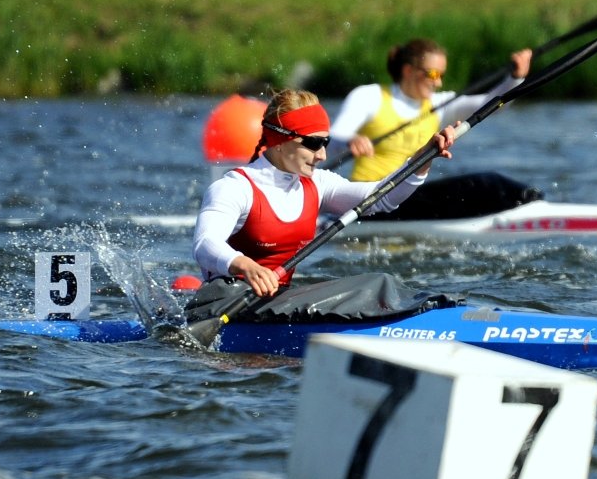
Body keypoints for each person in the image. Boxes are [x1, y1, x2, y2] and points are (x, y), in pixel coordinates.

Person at [191, 88, 456, 301]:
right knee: (374, 285)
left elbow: (381, 197)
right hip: (228, 301)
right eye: (313, 143)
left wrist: (421, 159)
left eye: (325, 142)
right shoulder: (234, 188)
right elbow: (204, 244)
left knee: (377, 282)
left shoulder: (317, 183)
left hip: (275, 302)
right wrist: (246, 266)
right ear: (279, 140)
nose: (323, 155)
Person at [329, 38, 530, 182]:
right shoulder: (369, 96)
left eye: (441, 74)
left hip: (407, 192)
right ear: (408, 71)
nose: (439, 82)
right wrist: (350, 141)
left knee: (488, 182)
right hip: (368, 194)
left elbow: (490, 105)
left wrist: (515, 78)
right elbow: (331, 138)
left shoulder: (440, 104)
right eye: (433, 74)